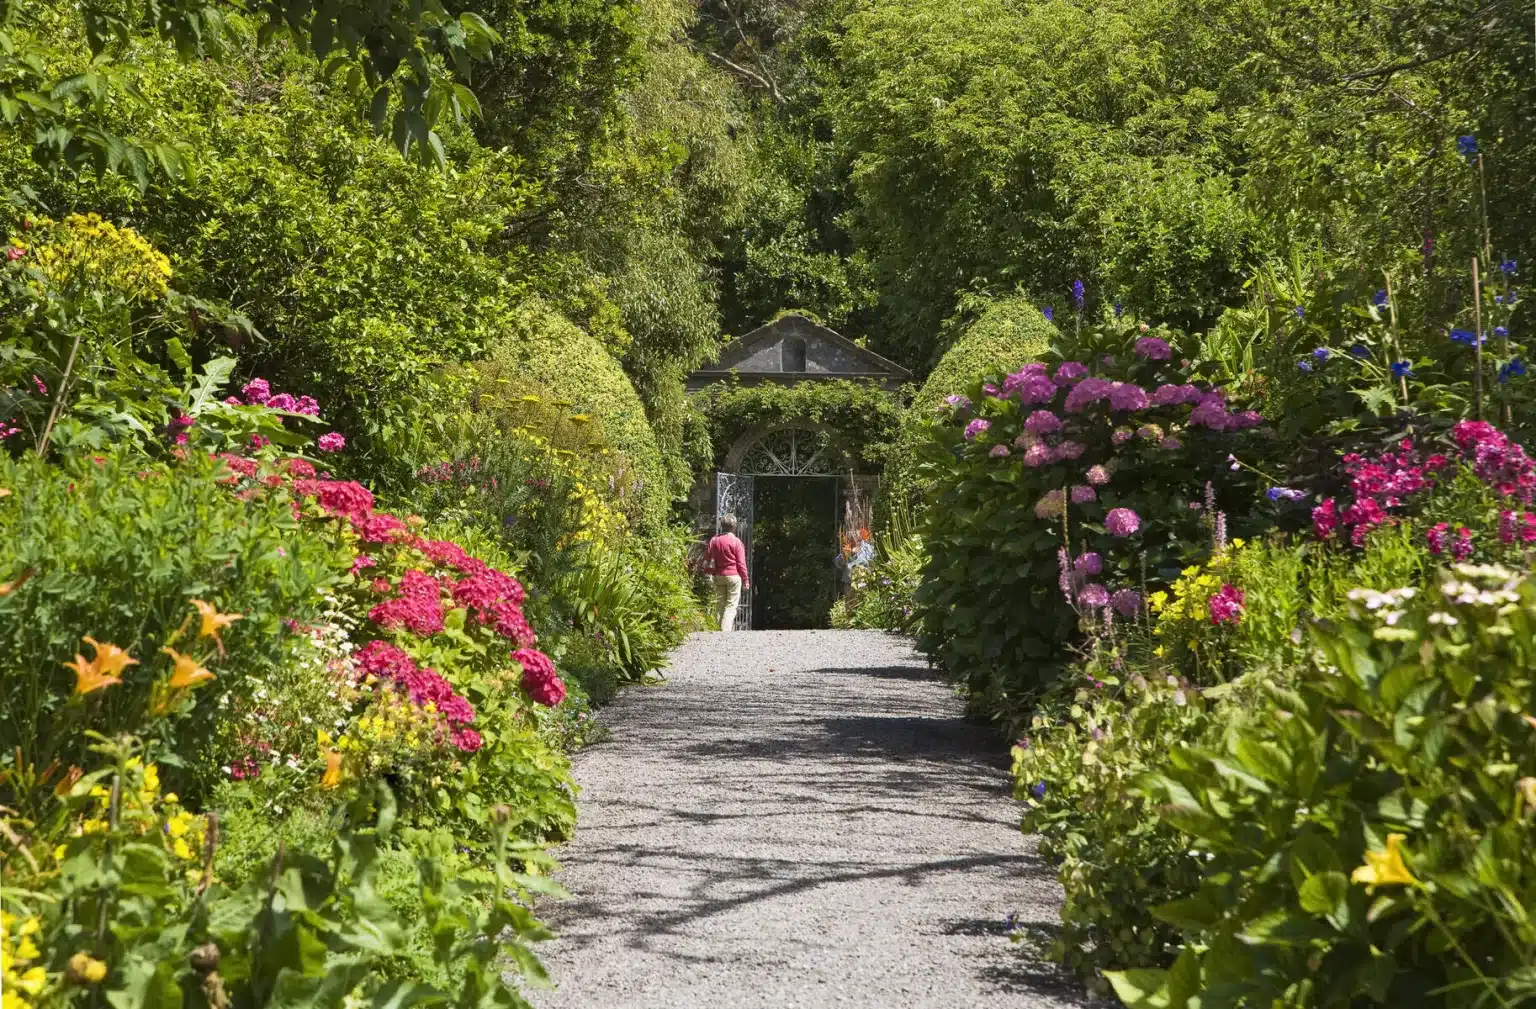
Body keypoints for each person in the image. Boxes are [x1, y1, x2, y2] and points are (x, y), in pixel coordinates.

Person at [705, 515, 750, 632]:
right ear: (734, 527)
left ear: (721, 526)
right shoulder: (736, 542)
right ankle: (725, 632)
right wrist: (745, 580)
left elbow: (707, 559)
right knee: (730, 605)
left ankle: (718, 630)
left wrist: (710, 573)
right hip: (733, 576)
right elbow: (741, 563)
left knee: (720, 604)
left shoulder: (714, 540)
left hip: (719, 576)